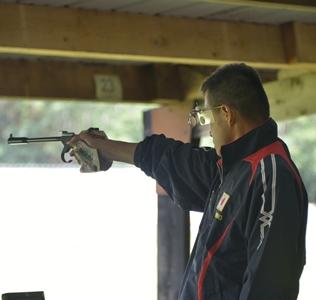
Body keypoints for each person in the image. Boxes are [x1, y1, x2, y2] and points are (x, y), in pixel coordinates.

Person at [69, 63, 308, 300]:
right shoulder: (231, 168)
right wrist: (105, 148)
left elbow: (268, 286)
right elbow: (169, 159)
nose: (210, 130)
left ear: (227, 113)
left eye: (206, 117)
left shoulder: (270, 174)